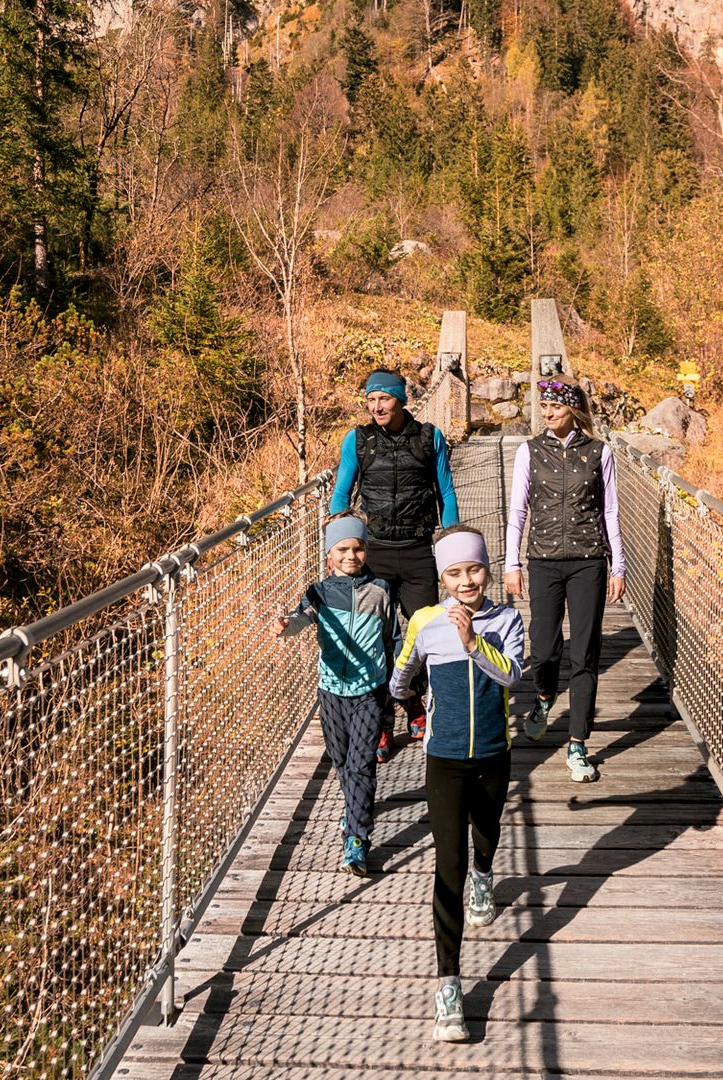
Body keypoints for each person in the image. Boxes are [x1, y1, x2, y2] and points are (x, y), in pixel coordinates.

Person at [389, 525, 527, 1043]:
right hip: (443, 759)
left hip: (493, 753)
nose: (466, 580)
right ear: (441, 578)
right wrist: (409, 695)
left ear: (487, 569)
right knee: (447, 866)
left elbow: (513, 675)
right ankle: (448, 983)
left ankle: (484, 876)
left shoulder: (507, 619)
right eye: (454, 573)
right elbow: (401, 675)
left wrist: (472, 643)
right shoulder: (425, 622)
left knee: (486, 833)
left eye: (474, 568)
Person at [330, 368, 462, 760]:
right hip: (376, 554)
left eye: (383, 399)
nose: (376, 407)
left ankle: (414, 698)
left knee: (425, 635)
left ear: (401, 400)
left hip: (419, 551)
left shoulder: (429, 437)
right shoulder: (358, 440)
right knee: (377, 642)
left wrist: (454, 545)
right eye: (370, 400)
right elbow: (341, 494)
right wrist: (339, 549)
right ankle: (383, 724)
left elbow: (446, 491)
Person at [503, 379, 625, 784]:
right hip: (542, 561)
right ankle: (543, 696)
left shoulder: (599, 452)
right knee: (543, 647)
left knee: (585, 653)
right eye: (544, 406)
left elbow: (610, 511)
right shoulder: (529, 451)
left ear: (573, 410)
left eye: (555, 406)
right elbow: (518, 510)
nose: (547, 412)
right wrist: (512, 563)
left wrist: (619, 566)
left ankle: (577, 743)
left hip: (588, 561)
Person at [272, 514, 396, 877]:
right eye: (342, 549)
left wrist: (396, 680)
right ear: (329, 554)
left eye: (358, 548)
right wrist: (285, 625)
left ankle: (357, 838)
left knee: (361, 764)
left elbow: (391, 636)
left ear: (366, 550)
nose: (351, 556)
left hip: (369, 691)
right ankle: (354, 806)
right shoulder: (319, 593)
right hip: (330, 691)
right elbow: (300, 618)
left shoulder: (381, 591)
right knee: (341, 760)